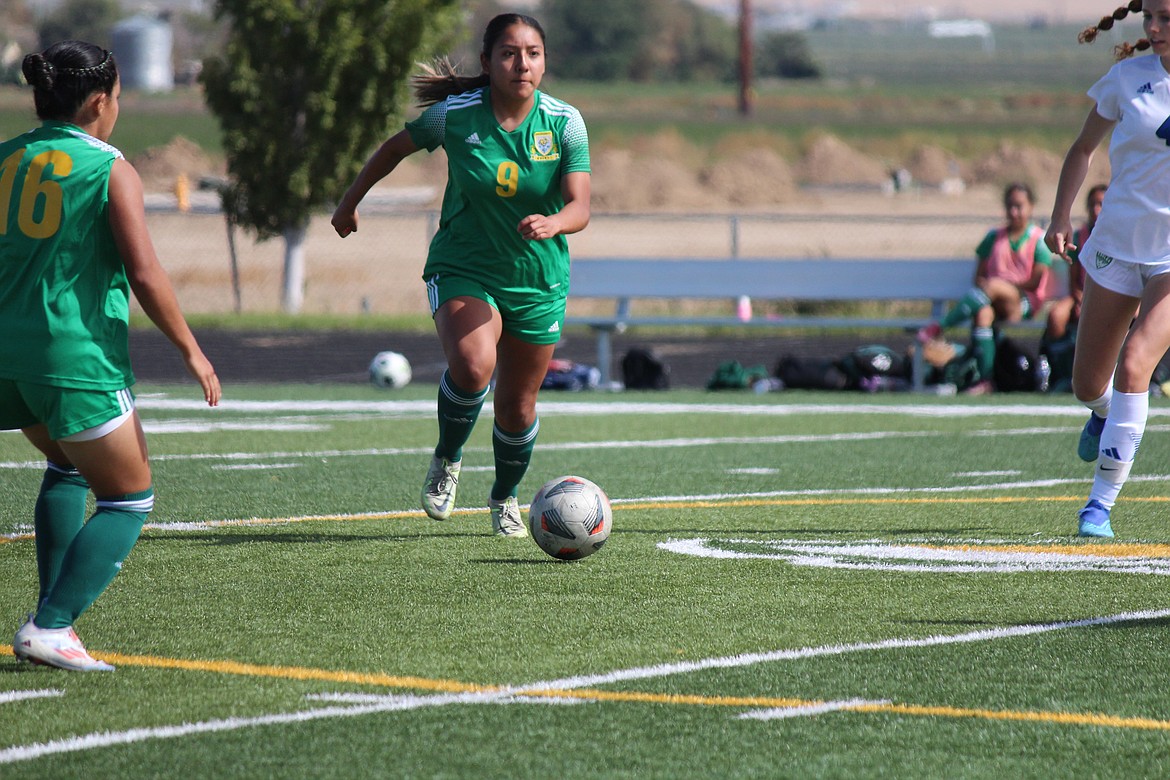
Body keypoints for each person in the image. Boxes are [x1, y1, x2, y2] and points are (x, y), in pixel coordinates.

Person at [1, 42, 220, 670]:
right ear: (100, 101)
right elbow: (146, 275)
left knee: (70, 467)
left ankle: (51, 614)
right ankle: (52, 622)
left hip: (5, 359)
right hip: (71, 359)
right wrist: (193, 352)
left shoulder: (4, 158)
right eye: (119, 97)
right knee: (129, 498)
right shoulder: (108, 167)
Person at [332, 14, 591, 537]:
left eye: (533, 53)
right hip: (464, 267)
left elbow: (581, 205)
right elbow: (392, 149)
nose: (523, 64)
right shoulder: (455, 115)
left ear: (545, 61)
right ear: (487, 62)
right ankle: (447, 460)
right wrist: (349, 203)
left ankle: (504, 498)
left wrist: (555, 221)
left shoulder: (565, 123)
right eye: (510, 54)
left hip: (537, 280)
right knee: (474, 367)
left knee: (517, 406)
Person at [1045, 0, 1170, 538]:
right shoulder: (1127, 78)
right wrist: (1059, 218)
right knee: (1088, 383)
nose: (1156, 28)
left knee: (1136, 363)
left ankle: (1099, 506)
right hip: (1115, 247)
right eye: (1151, 19)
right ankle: (1102, 414)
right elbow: (1081, 150)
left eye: (1167, 18)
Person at [918, 182, 1055, 393]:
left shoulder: (1039, 239)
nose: (1014, 212)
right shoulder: (994, 237)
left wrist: (1002, 285)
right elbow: (979, 276)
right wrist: (992, 286)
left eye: (1019, 206)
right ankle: (986, 379)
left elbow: (1035, 281)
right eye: (1010, 206)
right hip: (993, 299)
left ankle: (941, 326)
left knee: (993, 286)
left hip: (1022, 302)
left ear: (1031, 207)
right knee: (982, 314)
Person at [1040, 184, 1106, 391]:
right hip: (1083, 294)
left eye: (1101, 205)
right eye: (1093, 204)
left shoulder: (1119, 235)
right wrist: (1080, 299)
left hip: (1112, 296)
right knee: (1056, 316)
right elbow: (1074, 279)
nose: (1096, 209)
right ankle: (1062, 375)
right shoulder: (1080, 236)